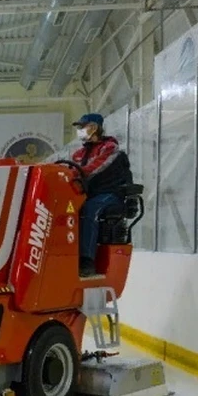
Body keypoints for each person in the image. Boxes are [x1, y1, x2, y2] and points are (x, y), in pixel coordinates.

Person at [70, 113, 132, 277]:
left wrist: (76, 173)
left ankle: (87, 261)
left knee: (91, 210)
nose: (80, 130)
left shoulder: (110, 149)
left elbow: (93, 168)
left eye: (83, 127)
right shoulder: (79, 153)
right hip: (88, 194)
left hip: (109, 194)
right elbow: (69, 170)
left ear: (94, 127)